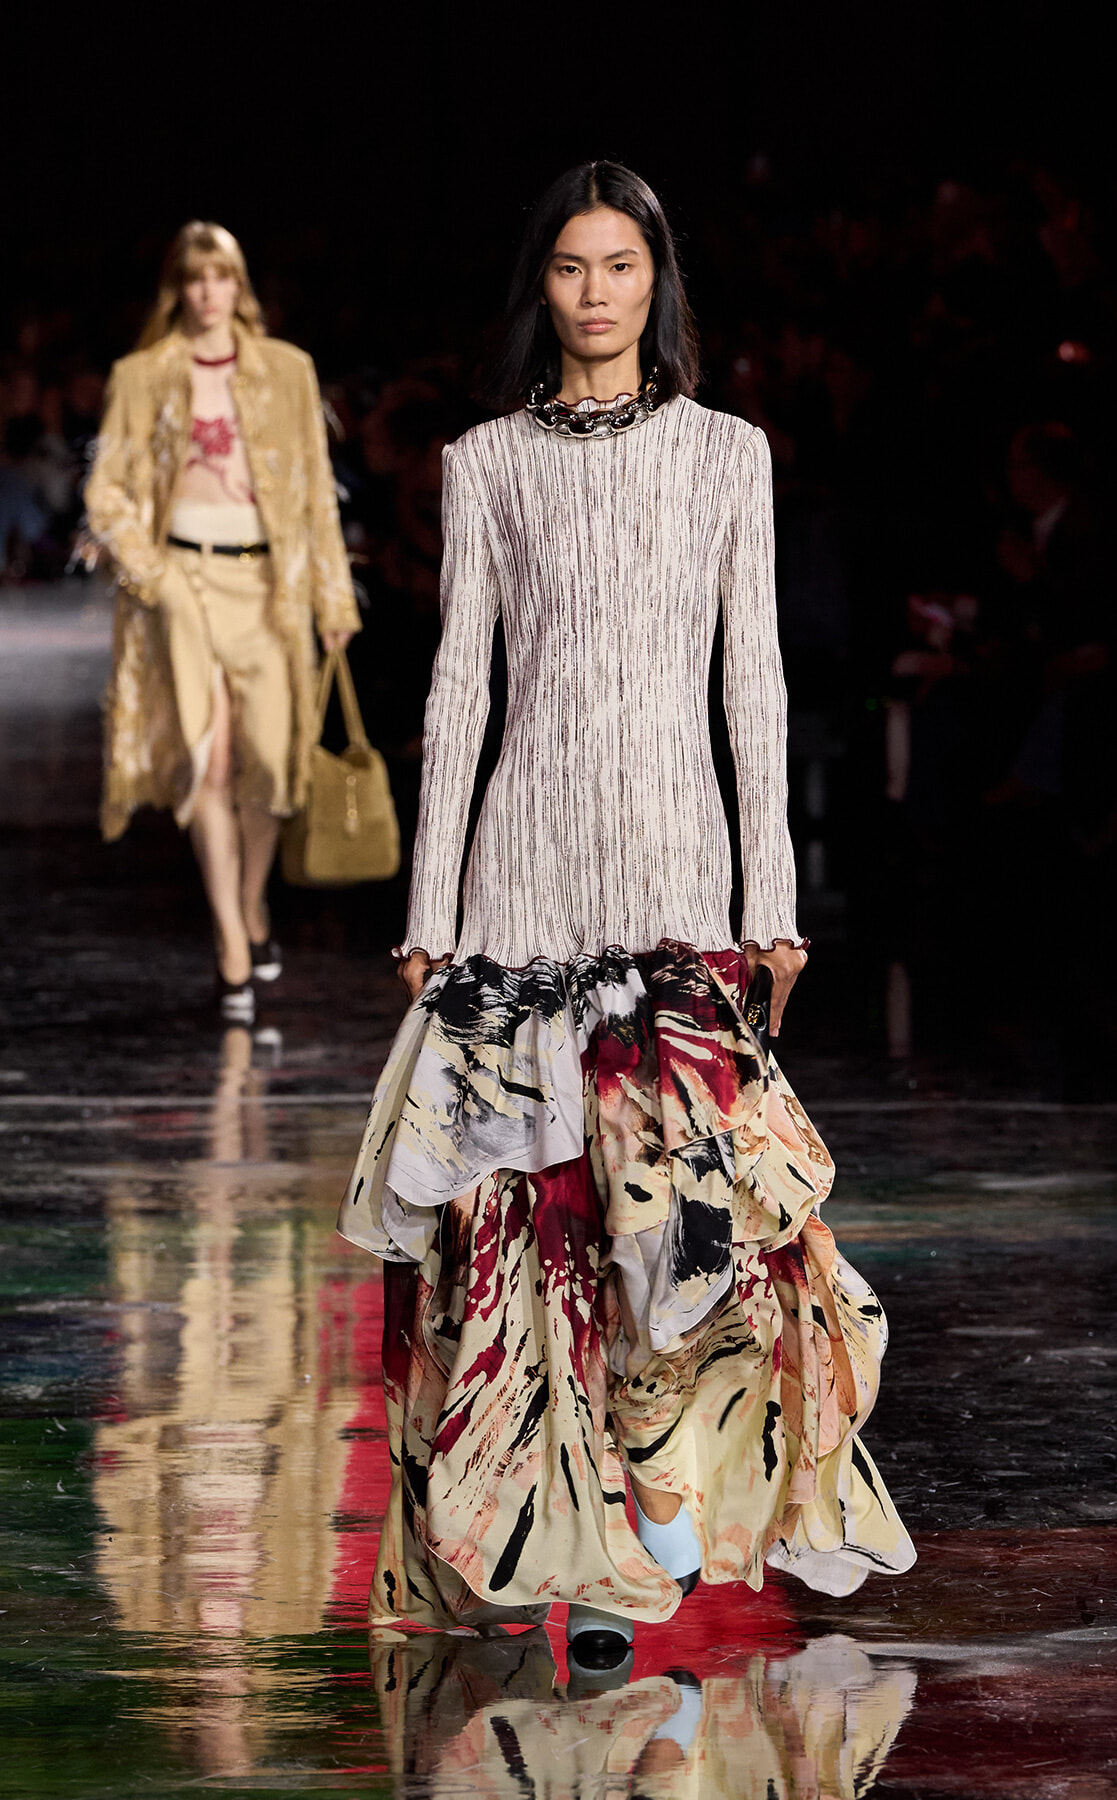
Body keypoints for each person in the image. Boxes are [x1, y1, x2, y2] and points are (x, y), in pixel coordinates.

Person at [339, 163, 914, 1670]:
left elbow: (757, 686)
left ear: (660, 285)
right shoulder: (485, 464)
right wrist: (433, 902)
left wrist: (773, 903)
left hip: (676, 863)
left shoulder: (729, 454)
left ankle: (657, 1498)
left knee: (677, 1218)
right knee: (540, 1223)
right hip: (525, 873)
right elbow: (459, 689)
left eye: (623, 267)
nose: (597, 293)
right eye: (572, 269)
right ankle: (590, 1561)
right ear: (542, 287)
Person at [86, 221, 361, 1022]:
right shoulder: (143, 376)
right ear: (178, 287)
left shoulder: (287, 372)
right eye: (194, 278)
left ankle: (249, 904)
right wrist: (156, 577)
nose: (209, 292)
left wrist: (332, 602)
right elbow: (106, 492)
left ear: (239, 286)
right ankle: (231, 943)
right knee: (208, 759)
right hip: (184, 581)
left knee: (272, 767)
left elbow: (314, 492)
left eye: (222, 276)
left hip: (267, 583)